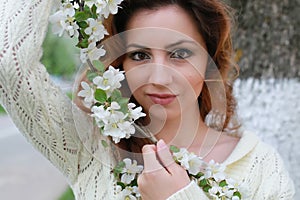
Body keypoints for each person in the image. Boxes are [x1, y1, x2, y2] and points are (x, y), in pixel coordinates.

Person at [0, 0, 295, 200]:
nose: (159, 78)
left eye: (180, 54)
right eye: (140, 55)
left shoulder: (260, 167)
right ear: (121, 65)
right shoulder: (89, 148)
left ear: (209, 59)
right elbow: (8, 58)